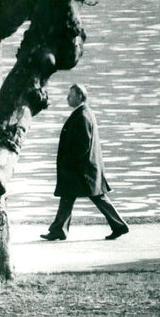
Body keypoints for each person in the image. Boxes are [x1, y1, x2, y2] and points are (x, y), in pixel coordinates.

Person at [41, 84, 129, 241]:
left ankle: (119, 225)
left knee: (93, 197)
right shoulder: (84, 113)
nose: (67, 98)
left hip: (82, 169)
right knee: (73, 197)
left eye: (71, 95)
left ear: (79, 97)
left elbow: (83, 146)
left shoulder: (82, 116)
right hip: (84, 168)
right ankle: (59, 229)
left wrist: (68, 164)